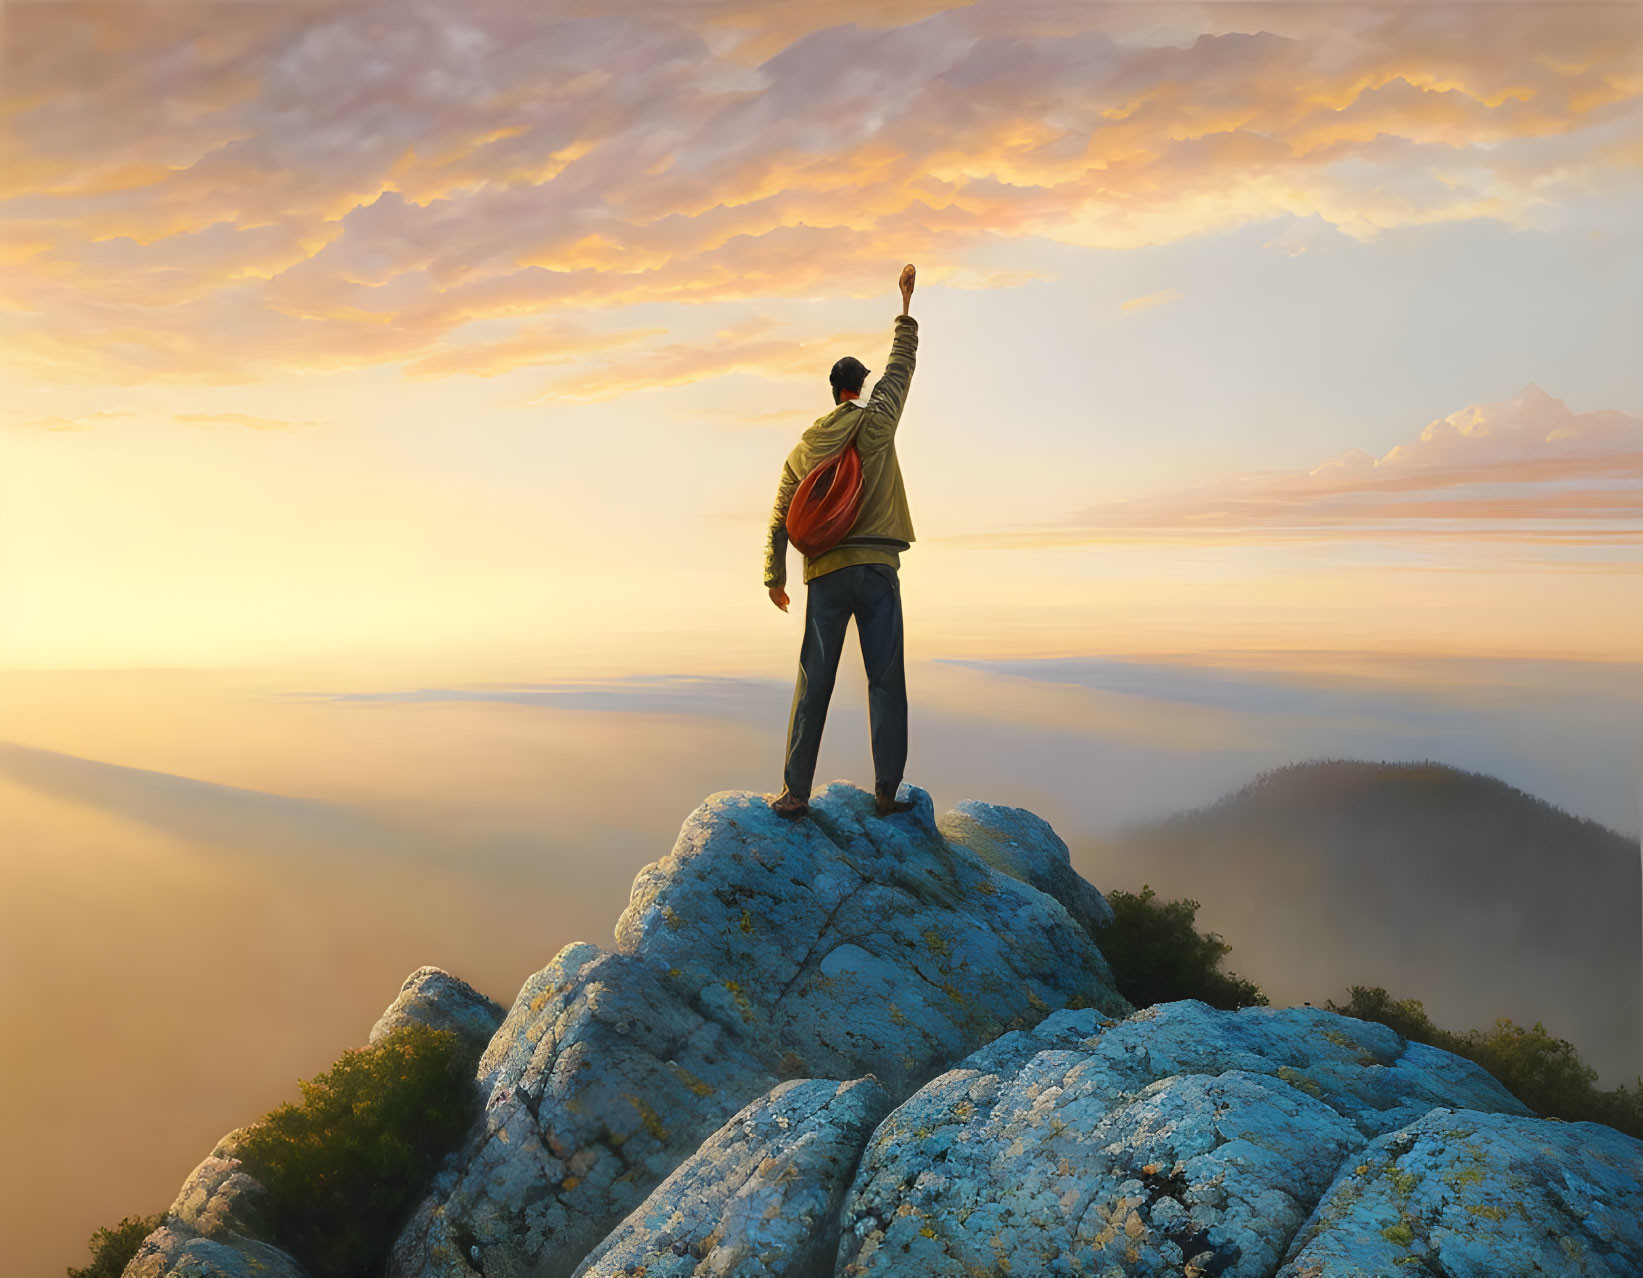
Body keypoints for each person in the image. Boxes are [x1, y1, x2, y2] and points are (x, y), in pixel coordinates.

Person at [763, 263, 920, 820]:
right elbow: (899, 371)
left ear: (833, 391)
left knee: (815, 681)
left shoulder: (805, 449)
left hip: (825, 573)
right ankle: (886, 792)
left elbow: (782, 513)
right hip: (877, 569)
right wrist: (904, 306)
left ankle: (795, 794)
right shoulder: (875, 423)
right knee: (885, 679)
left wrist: (774, 577)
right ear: (859, 388)